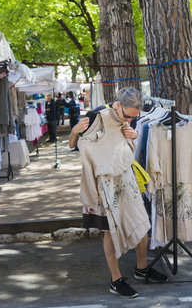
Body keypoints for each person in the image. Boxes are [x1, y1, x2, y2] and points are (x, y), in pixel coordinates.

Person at [68, 87, 168, 299]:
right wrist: (75, 131)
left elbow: (126, 144)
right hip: (101, 184)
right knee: (109, 231)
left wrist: (134, 134)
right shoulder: (95, 116)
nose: (129, 120)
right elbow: (73, 145)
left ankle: (142, 268)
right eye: (127, 116)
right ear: (118, 104)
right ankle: (116, 279)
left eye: (134, 118)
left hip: (125, 177)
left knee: (141, 223)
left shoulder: (127, 120)